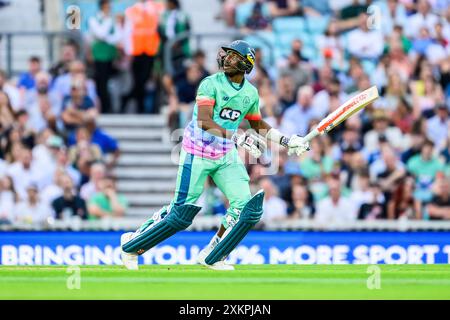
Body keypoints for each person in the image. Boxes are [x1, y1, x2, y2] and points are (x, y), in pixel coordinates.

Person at [120, 40, 311, 271]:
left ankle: (213, 254)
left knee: (245, 208)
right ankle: (132, 244)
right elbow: (203, 120)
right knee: (180, 214)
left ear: (245, 64)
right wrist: (237, 137)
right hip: (196, 153)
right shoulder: (210, 83)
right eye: (226, 55)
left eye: (233, 56)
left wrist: (287, 141)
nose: (226, 59)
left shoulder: (250, 92)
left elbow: (257, 124)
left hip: (225, 156)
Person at [88, 0, 121, 114]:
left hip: (110, 55)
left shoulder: (111, 20)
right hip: (99, 56)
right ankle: (103, 106)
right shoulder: (95, 19)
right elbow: (100, 33)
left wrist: (107, 38)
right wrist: (108, 22)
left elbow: (117, 36)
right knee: (101, 82)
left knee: (109, 82)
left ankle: (110, 106)